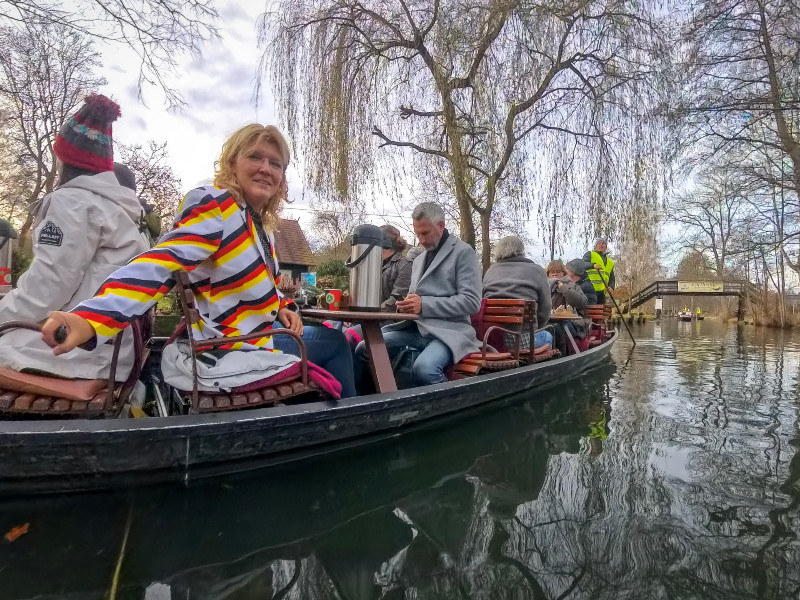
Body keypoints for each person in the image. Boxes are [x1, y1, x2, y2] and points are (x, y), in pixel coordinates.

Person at [40, 123, 355, 398]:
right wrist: (92, 318)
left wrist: (283, 305)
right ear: (232, 162)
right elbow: (162, 261)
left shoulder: (257, 223)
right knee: (336, 343)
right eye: (255, 157)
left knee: (326, 337)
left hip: (255, 333)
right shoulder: (217, 205)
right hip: (228, 346)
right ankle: (347, 429)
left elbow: (265, 282)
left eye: (275, 163)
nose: (265, 168)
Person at [0, 95, 150, 381]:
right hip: (118, 346)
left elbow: (48, 288)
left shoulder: (72, 203)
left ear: (63, 157)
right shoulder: (122, 210)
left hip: (82, 351)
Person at [354, 202, 481, 388]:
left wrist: (424, 305)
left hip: (449, 332)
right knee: (364, 349)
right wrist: (405, 305)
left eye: (425, 233)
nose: (420, 240)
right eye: (417, 233)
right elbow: (415, 298)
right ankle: (389, 398)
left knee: (424, 369)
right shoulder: (419, 258)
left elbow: (471, 302)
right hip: (414, 328)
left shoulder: (464, 252)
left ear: (441, 226)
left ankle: (451, 407)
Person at [482, 235, 552, 350]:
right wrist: (537, 328)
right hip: (523, 341)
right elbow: (545, 308)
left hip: (492, 340)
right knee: (548, 335)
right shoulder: (536, 270)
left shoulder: (490, 271)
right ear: (522, 251)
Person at [379, 224, 412, 312]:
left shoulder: (405, 264)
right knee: (338, 324)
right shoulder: (377, 265)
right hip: (373, 317)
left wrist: (370, 314)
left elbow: (397, 299)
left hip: (391, 320)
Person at [583, 238, 615, 304]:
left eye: (603, 243)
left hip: (602, 291)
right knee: (591, 311)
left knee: (600, 311)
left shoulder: (610, 262)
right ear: (595, 246)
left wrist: (611, 287)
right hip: (590, 289)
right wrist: (593, 265)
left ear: (606, 246)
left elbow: (612, 277)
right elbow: (582, 265)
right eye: (599, 243)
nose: (601, 245)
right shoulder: (590, 254)